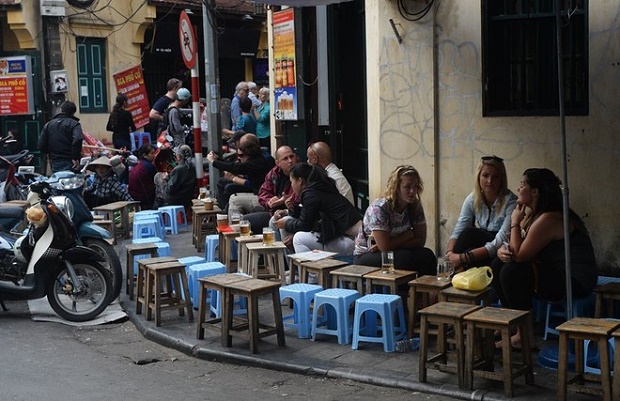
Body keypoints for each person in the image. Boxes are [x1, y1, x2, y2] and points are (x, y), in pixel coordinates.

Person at [492, 168, 597, 349]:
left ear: (535, 192)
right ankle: (517, 328)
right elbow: (513, 249)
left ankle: (525, 336)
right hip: (552, 272)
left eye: (523, 184)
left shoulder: (549, 218)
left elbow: (520, 255)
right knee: (498, 264)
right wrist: (502, 251)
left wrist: (515, 220)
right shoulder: (534, 214)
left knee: (513, 271)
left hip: (574, 281)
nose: (518, 188)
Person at [353, 165, 436, 275]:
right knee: (404, 258)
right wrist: (408, 235)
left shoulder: (414, 206)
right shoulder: (380, 208)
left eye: (415, 186)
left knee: (426, 255)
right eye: (407, 187)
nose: (412, 191)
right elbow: (385, 248)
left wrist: (395, 243)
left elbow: (420, 241)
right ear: (396, 188)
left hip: (394, 251)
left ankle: (426, 290)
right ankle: (404, 291)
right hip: (366, 255)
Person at [445, 156, 517, 271]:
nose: (490, 181)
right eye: (485, 175)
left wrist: (463, 258)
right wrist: (450, 254)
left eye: (495, 177)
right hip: (483, 247)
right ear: (478, 177)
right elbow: (459, 229)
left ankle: (456, 272)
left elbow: (499, 241)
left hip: (501, 249)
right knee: (466, 235)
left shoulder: (511, 202)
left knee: (470, 234)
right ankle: (451, 276)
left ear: (501, 179)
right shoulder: (472, 198)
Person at [274, 163, 361, 256]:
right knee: (287, 220)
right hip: (341, 237)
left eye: (292, 181)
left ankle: (307, 270)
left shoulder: (311, 193)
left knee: (298, 238)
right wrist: (294, 210)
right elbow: (312, 218)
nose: (292, 185)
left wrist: (286, 224)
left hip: (351, 241)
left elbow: (305, 225)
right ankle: (301, 268)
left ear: (299, 181)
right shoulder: (318, 188)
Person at [207, 133, 274, 210]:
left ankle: (225, 211)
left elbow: (238, 168)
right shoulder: (259, 155)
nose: (239, 158)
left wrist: (213, 161)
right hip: (254, 183)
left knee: (229, 187)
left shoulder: (260, 161)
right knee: (223, 181)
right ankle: (223, 209)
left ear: (248, 151)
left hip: (259, 189)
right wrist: (218, 160)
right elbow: (236, 167)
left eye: (241, 155)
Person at [38, 101, 83, 173]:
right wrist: (75, 157)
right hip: (71, 161)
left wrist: (50, 153)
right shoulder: (74, 124)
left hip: (55, 161)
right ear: (73, 112)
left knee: (57, 182)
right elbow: (78, 139)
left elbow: (41, 145)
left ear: (61, 110)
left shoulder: (49, 124)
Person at [128, 143, 157, 210]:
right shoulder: (148, 166)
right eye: (152, 153)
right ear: (145, 155)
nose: (154, 155)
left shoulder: (138, 164)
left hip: (133, 196)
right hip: (144, 199)